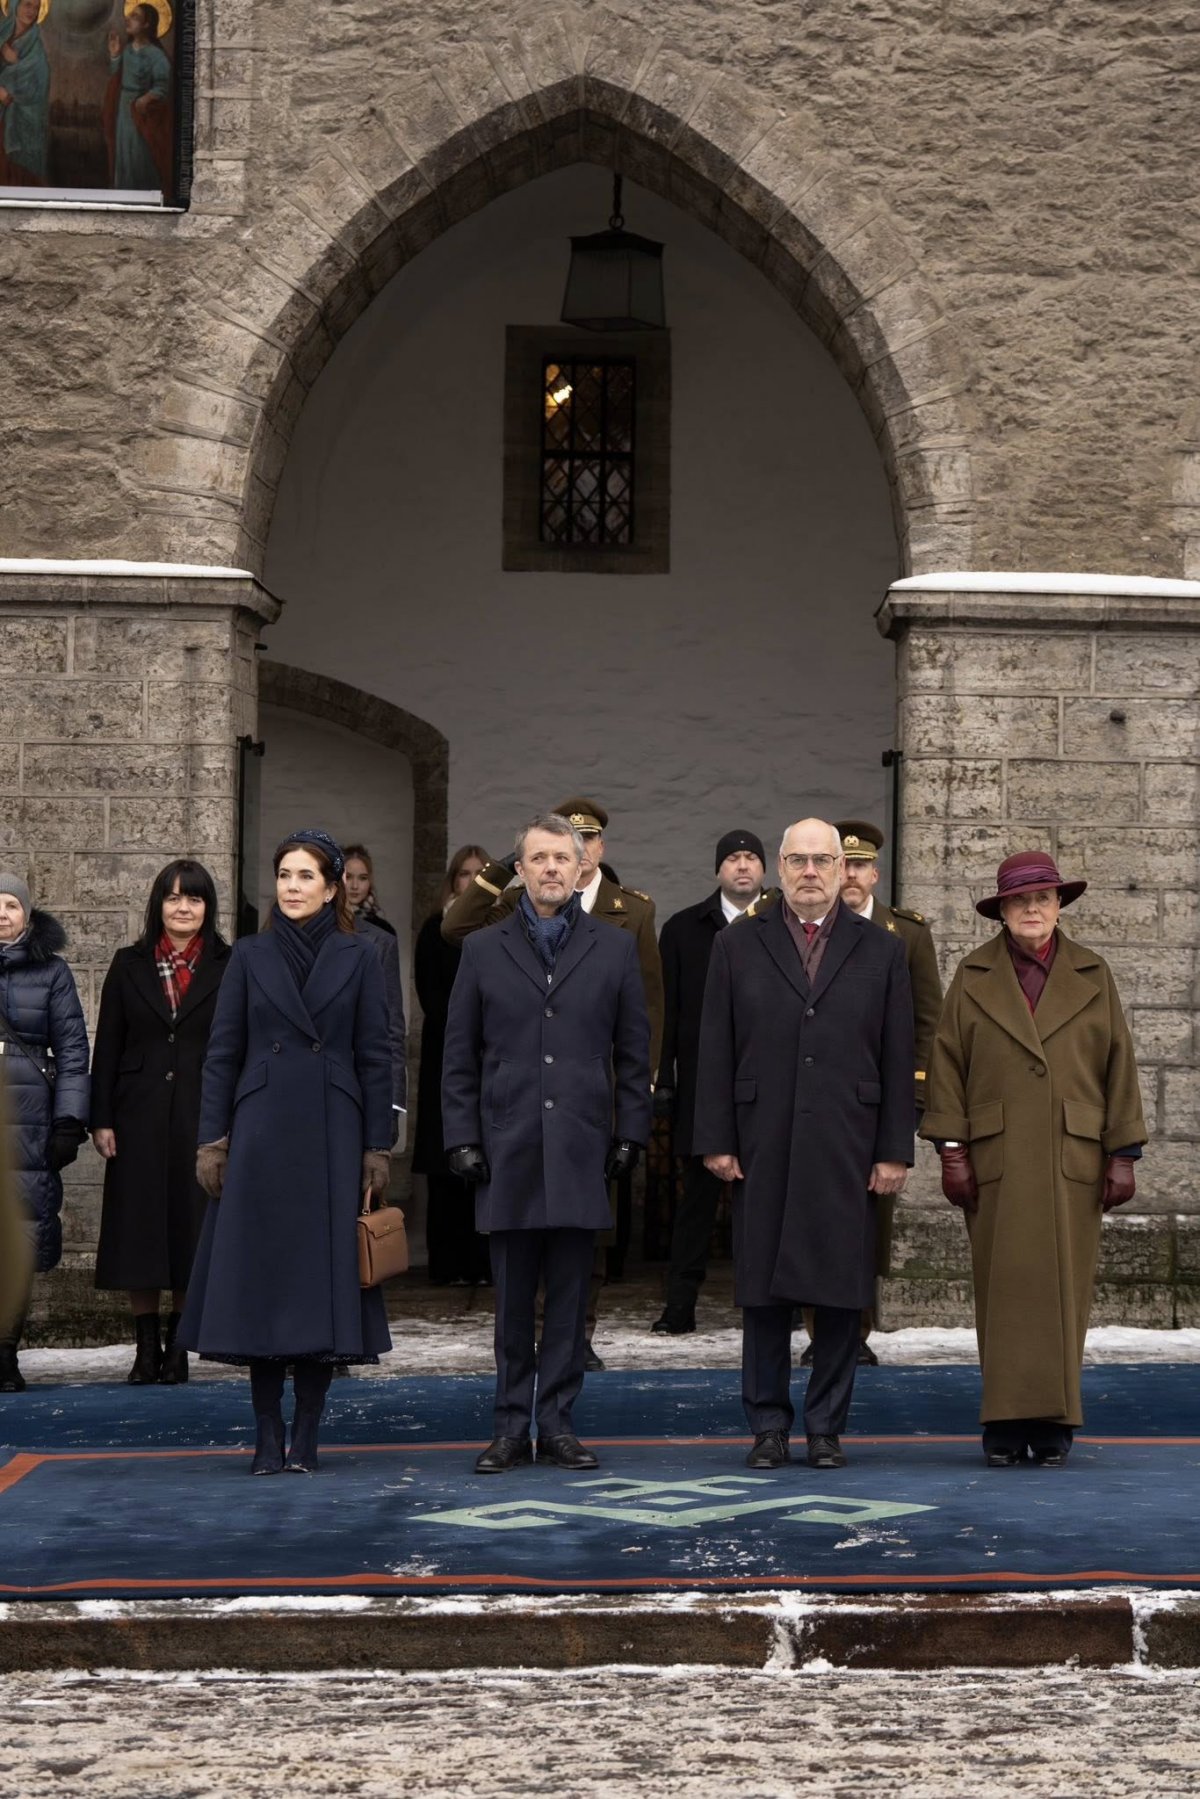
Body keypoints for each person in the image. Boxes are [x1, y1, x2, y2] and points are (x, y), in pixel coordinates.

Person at [695, 820, 914, 1471]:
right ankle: (767, 1424)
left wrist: (893, 1147)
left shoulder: (882, 949)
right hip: (763, 1137)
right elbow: (715, 1047)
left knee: (842, 1290)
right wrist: (717, 1138)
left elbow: (898, 1054)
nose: (812, 870)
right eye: (799, 859)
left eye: (824, 859)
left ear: (844, 867)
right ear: (779, 867)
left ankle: (825, 1426)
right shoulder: (736, 944)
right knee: (762, 1290)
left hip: (847, 1140)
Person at [921, 850, 1147, 1468]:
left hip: (1074, 1159)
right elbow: (947, 1071)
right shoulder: (971, 977)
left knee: (1064, 1294)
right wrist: (951, 1150)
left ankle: (1053, 1425)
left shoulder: (1094, 974)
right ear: (1002, 910)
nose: (1031, 909)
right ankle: (1002, 1423)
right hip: (997, 1160)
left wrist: (1123, 1152)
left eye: (1042, 898)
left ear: (1058, 905)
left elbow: (1119, 1066)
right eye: (1019, 900)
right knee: (1003, 1293)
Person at [178, 829, 394, 1475]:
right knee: (265, 1285)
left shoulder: (361, 957)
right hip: (262, 1132)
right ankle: (267, 1431)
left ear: (333, 888)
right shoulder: (249, 954)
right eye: (284, 875)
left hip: (332, 1129)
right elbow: (222, 1052)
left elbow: (376, 1056)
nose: (292, 886)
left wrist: (378, 1146)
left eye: (306, 876)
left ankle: (308, 1431)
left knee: (320, 1287)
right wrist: (212, 1140)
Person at [441, 813, 651, 1474]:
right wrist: (462, 1137)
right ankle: (509, 1425)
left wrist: (630, 1132)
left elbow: (634, 1053)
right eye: (540, 858)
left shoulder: (614, 948)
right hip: (508, 1148)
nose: (554, 868)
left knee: (568, 1300)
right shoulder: (482, 949)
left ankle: (557, 1422)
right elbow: (459, 1058)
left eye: (565, 857)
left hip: (582, 1147)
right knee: (510, 1303)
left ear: (583, 864)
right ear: (521, 868)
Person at [796, 819, 944, 1367]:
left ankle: (855, 1329)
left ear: (873, 873)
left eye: (860, 866)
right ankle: (819, 1330)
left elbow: (928, 1021)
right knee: (811, 1213)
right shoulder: (791, 926)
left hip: (876, 1100)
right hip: (811, 1099)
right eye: (844, 864)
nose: (851, 875)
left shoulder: (905, 934)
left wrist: (916, 1094)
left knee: (866, 1221)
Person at [91, 860, 231, 1385]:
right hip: (138, 1114)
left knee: (189, 1229)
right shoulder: (129, 963)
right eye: (172, 898)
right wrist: (100, 1117)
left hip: (202, 1114)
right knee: (140, 1230)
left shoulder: (228, 963)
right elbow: (107, 1047)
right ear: (158, 905)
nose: (182, 907)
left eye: (193, 898)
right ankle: (144, 1345)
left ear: (206, 906)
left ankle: (180, 1348)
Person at [651, 830, 767, 1335]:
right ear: (718, 869)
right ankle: (680, 1306)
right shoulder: (683, 929)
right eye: (733, 859)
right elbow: (668, 1012)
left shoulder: (783, 925)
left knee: (765, 1202)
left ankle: (770, 1306)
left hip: (768, 1085)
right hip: (703, 1085)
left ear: (764, 870)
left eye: (751, 858)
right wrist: (665, 1080)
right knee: (695, 1203)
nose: (742, 866)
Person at [0, 872, 90, 1394]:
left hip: (30, 1123)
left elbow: (74, 1051)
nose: (3, 914)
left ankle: (6, 1353)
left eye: (12, 905)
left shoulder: (52, 974)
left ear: (28, 917)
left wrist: (68, 1121)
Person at [413, 845, 492, 1284]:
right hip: (446, 1056)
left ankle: (482, 1263)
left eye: (481, 874)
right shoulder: (434, 929)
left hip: (491, 1058)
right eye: (464, 874)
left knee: (487, 1167)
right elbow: (431, 995)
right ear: (453, 881)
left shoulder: (502, 930)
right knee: (447, 1168)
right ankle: (446, 1264)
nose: (471, 882)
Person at [342, 843, 406, 1146]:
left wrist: (392, 1107)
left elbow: (391, 1023)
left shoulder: (381, 936)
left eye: (362, 877)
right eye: (347, 875)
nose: (354, 885)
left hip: (364, 1076)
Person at [105, 3, 172, 193]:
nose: (128, 19)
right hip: (124, 110)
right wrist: (115, 55)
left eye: (134, 16)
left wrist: (147, 98)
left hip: (142, 114)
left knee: (140, 155)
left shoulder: (156, 55)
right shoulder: (126, 50)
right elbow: (116, 76)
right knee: (124, 153)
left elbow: (162, 86)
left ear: (146, 24)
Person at [0, 0, 50, 187]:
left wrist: (15, 64)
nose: (32, 11)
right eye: (27, 4)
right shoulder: (1, 34)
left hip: (16, 122)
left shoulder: (36, 50)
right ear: (14, 5)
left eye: (36, 7)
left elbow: (37, 86)